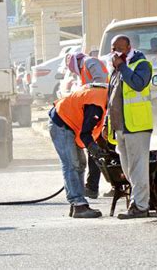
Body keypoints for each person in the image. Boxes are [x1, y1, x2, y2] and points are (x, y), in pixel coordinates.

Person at [103, 35, 153, 219]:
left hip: (137, 126)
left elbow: (138, 84)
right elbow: (111, 99)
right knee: (128, 169)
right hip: (120, 127)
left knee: (138, 168)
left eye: (120, 48)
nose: (115, 52)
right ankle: (138, 202)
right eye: (113, 48)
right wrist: (106, 122)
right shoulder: (116, 70)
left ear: (129, 47)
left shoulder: (141, 64)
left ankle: (140, 206)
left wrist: (122, 66)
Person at [48, 83, 109, 218]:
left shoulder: (104, 96)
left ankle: (79, 203)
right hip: (61, 123)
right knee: (72, 164)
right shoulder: (96, 105)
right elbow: (86, 134)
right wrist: (93, 148)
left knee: (80, 163)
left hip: (69, 123)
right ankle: (78, 204)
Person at [67, 52, 109, 199]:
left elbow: (100, 82)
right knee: (97, 150)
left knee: (103, 149)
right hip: (98, 106)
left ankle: (97, 186)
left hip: (102, 107)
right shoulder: (86, 65)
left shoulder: (90, 62)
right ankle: (95, 186)